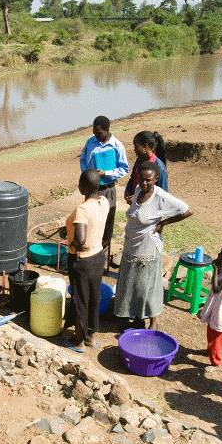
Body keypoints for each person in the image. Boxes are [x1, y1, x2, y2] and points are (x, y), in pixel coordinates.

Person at [114, 162, 192, 331]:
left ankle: (153, 322)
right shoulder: (137, 191)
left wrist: (163, 223)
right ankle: (138, 318)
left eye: (148, 180)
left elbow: (186, 210)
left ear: (156, 179)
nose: (143, 183)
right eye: (141, 179)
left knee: (147, 287)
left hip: (148, 248)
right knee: (133, 284)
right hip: (132, 245)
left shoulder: (160, 196)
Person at [59, 169, 109, 352]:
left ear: (84, 188)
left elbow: (80, 239)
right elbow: (94, 223)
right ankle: (90, 337)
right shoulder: (103, 202)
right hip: (97, 256)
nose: (78, 186)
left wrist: (73, 243)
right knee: (93, 298)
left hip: (82, 261)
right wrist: (68, 229)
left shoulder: (82, 209)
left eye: (80, 183)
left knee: (80, 300)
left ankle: (78, 341)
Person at [79, 116, 129, 253]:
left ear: (107, 130)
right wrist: (89, 175)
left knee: (107, 221)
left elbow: (124, 169)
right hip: (91, 189)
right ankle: (89, 250)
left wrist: (106, 173)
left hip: (108, 189)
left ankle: (104, 253)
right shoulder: (90, 142)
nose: (96, 135)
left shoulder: (117, 145)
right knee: (89, 219)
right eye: (94, 132)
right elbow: (82, 160)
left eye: (99, 133)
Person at [125, 131, 169, 197]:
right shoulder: (139, 161)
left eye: (136, 146)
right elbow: (133, 178)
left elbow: (163, 196)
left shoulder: (159, 167)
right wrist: (128, 191)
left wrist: (138, 198)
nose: (134, 150)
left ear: (145, 147)